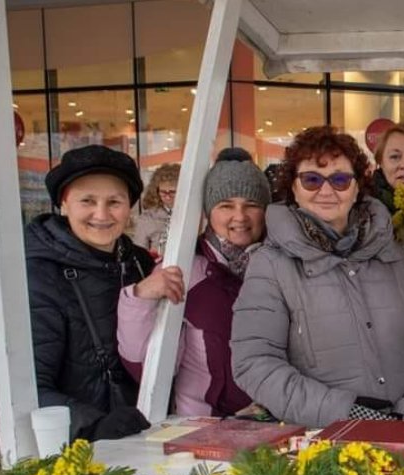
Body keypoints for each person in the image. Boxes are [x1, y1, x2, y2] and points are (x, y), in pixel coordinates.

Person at [231, 126, 404, 426]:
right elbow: (255, 362)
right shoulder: (271, 265)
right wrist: (350, 415)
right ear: (293, 188)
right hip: (321, 444)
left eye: (340, 179)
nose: (326, 190)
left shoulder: (394, 256)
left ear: (358, 187)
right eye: (311, 180)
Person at [118, 148, 270, 417]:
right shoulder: (184, 270)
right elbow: (147, 368)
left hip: (279, 421)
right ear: (208, 212)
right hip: (205, 428)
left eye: (251, 205)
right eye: (226, 206)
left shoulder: (281, 267)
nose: (240, 216)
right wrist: (138, 298)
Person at [26, 145, 155, 441]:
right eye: (87, 201)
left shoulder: (140, 263)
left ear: (130, 206)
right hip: (76, 446)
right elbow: (30, 385)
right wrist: (91, 425)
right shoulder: (39, 274)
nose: (102, 214)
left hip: (145, 432)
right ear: (64, 203)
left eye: (114, 201)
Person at [131, 163, 180, 255]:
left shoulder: (192, 215)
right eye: (163, 192)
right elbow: (139, 253)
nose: (167, 197)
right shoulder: (147, 218)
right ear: (156, 191)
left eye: (173, 192)